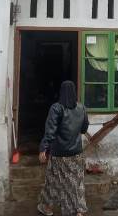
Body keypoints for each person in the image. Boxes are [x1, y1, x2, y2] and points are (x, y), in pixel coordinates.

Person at [37, 80, 89, 216]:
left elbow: (50, 130)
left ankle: (49, 208)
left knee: (54, 181)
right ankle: (79, 210)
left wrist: (43, 148)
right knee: (76, 183)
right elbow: (84, 129)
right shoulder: (81, 108)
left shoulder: (56, 108)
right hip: (76, 153)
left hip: (59, 154)